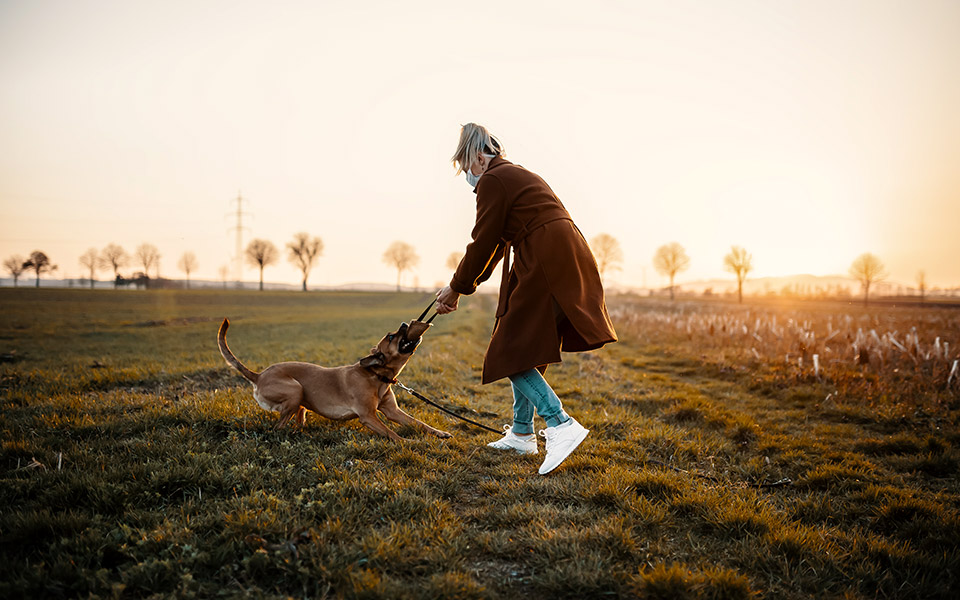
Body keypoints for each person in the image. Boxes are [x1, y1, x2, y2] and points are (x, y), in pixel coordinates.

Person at [436, 123, 618, 475]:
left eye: (467, 167)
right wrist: (465, 285)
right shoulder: (513, 175)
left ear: (477, 156)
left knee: (509, 349)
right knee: (525, 345)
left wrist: (456, 287)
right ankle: (521, 433)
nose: (469, 178)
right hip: (557, 251)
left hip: (547, 256)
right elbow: (497, 246)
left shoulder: (493, 179)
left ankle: (560, 423)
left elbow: (483, 242)